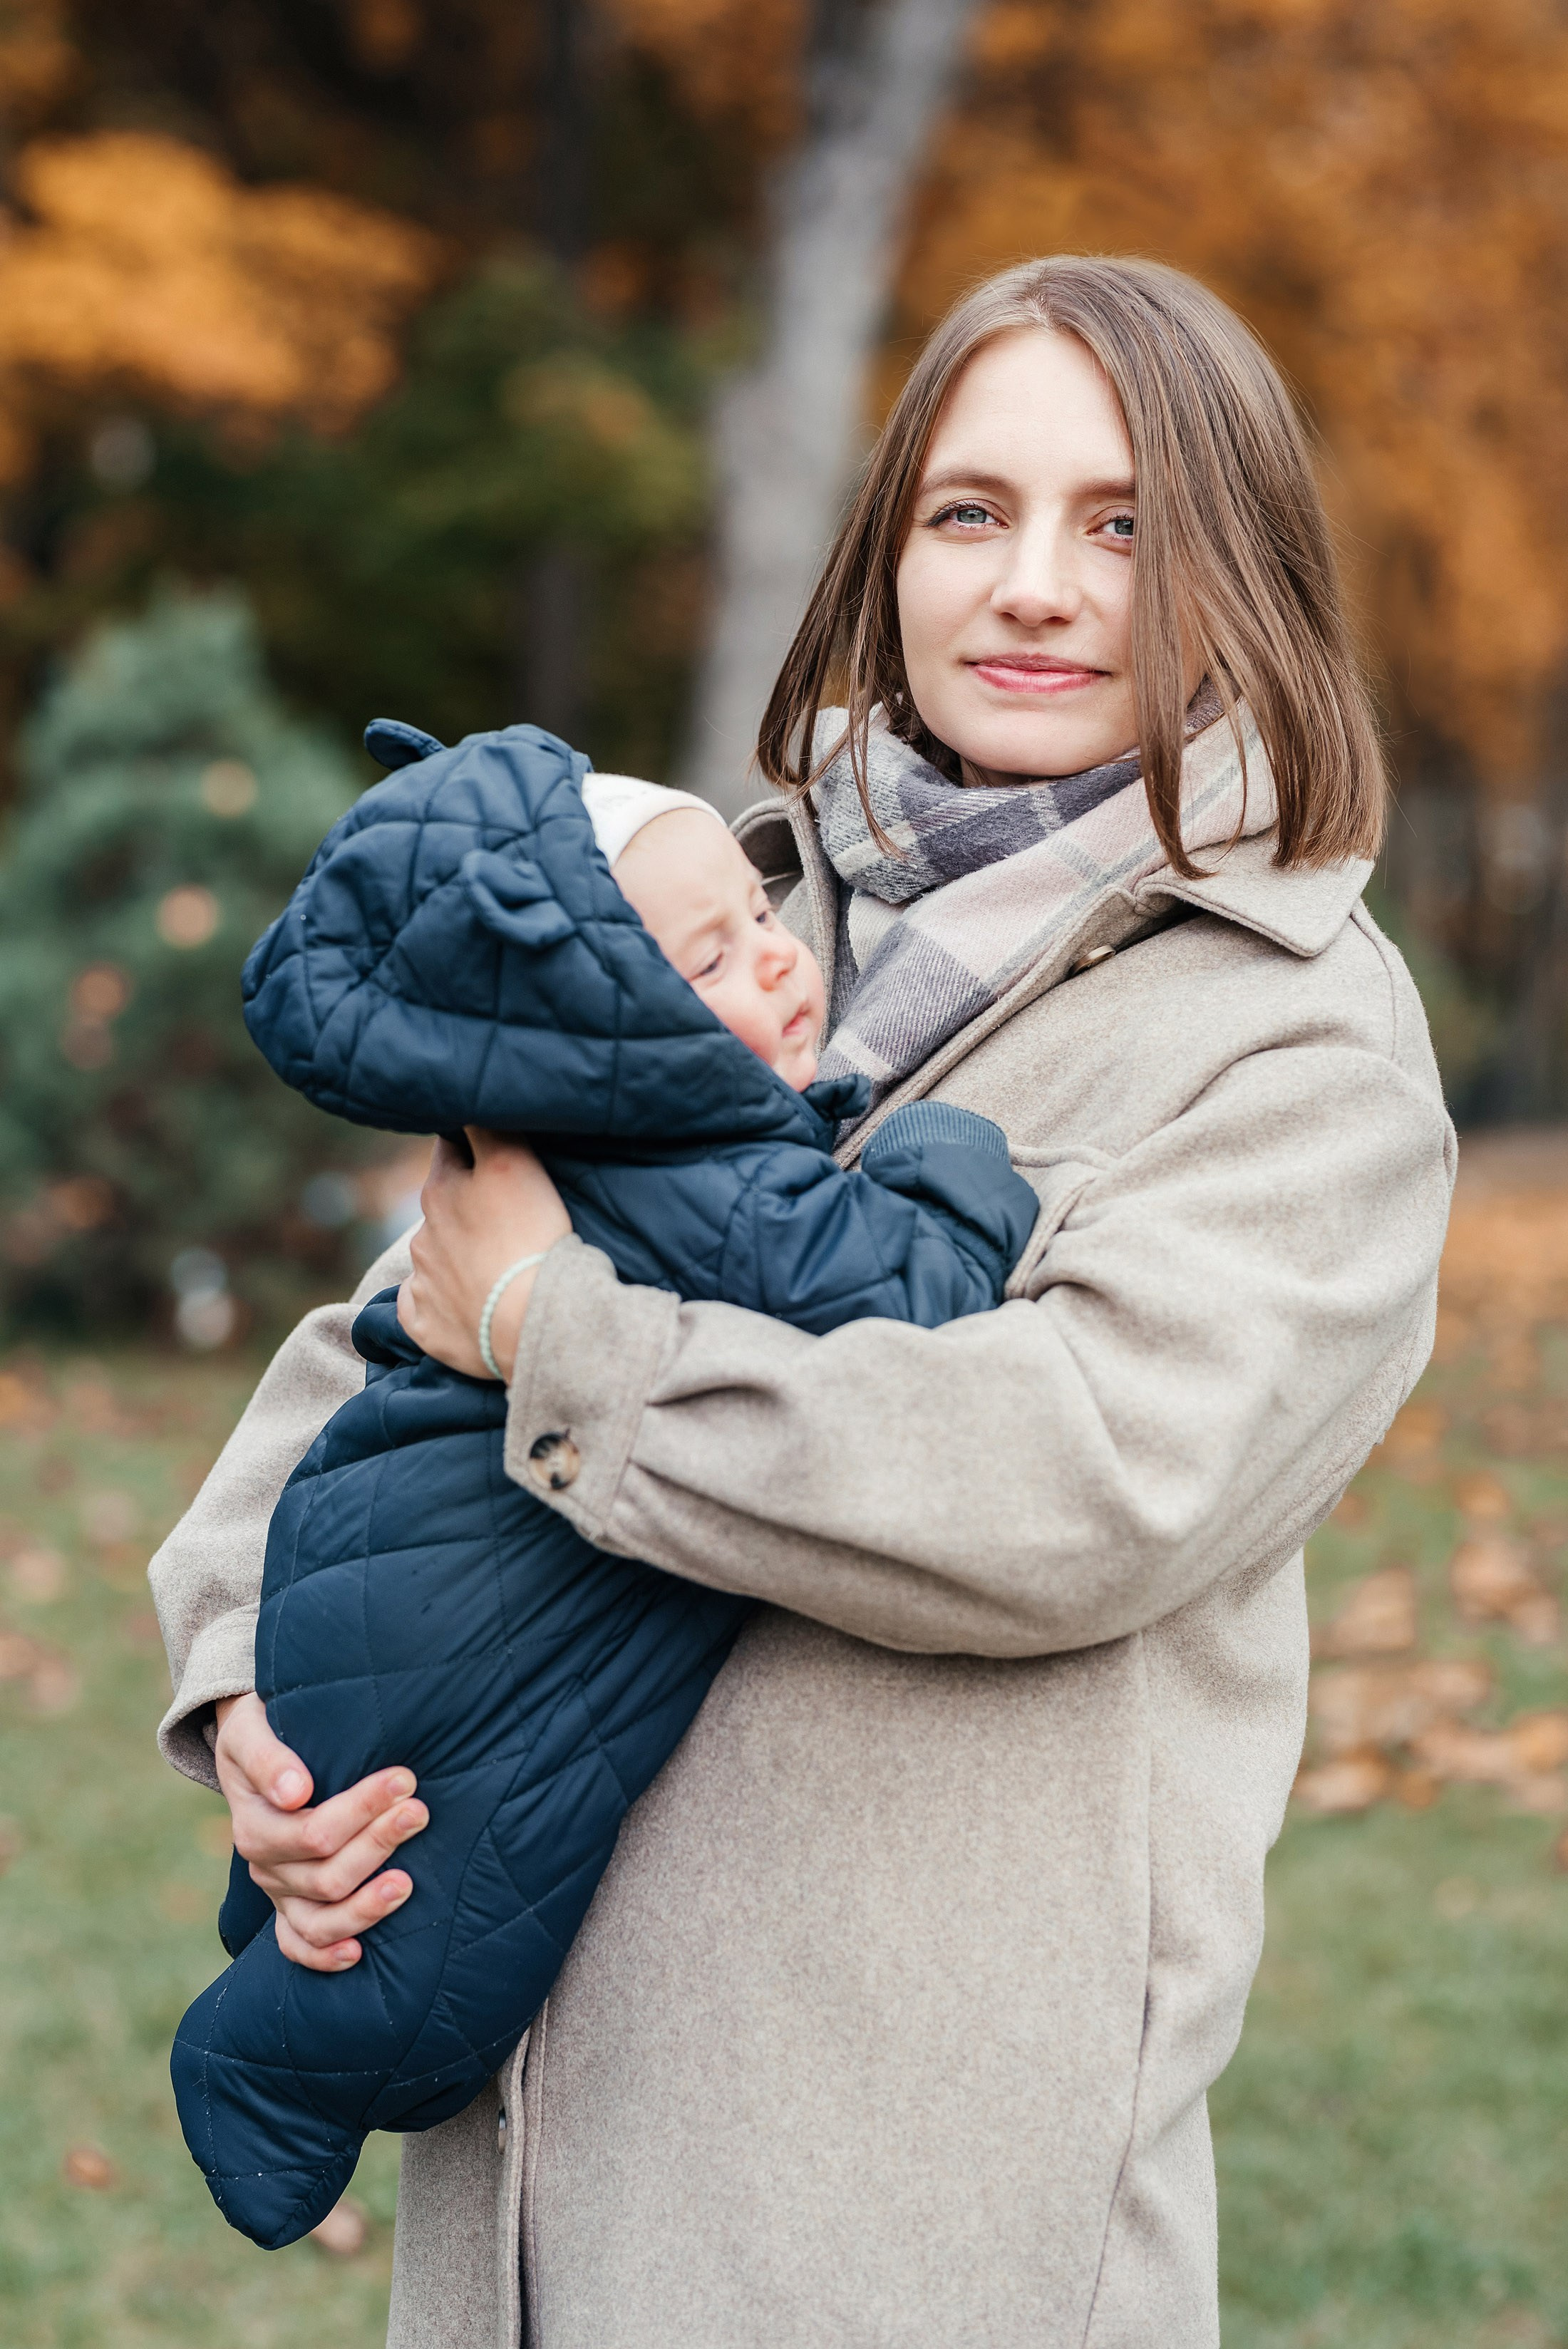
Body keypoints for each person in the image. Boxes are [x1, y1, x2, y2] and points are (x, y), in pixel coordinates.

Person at [150, 254, 1454, 2349]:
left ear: (1243, 574)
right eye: (971, 512)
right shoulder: (722, 918)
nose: (1036, 585)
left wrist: (576, 1352)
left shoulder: (1292, 1049)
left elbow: (1077, 1482)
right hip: (532, 2187)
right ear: (888, 553)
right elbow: (398, 1321)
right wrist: (251, 1710)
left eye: (1122, 525)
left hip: (908, 2216)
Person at [171, 746, 1038, 2251]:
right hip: (453, 1561)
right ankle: (267, 2064)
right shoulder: (707, 1173)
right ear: (606, 1023)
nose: (779, 953)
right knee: (443, 1889)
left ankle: (271, 1994)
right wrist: (946, 1157)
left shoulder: (584, 1140)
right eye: (715, 952)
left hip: (378, 1541)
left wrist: (532, 1315)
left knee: (403, 1822)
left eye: (759, 922)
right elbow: (916, 1286)